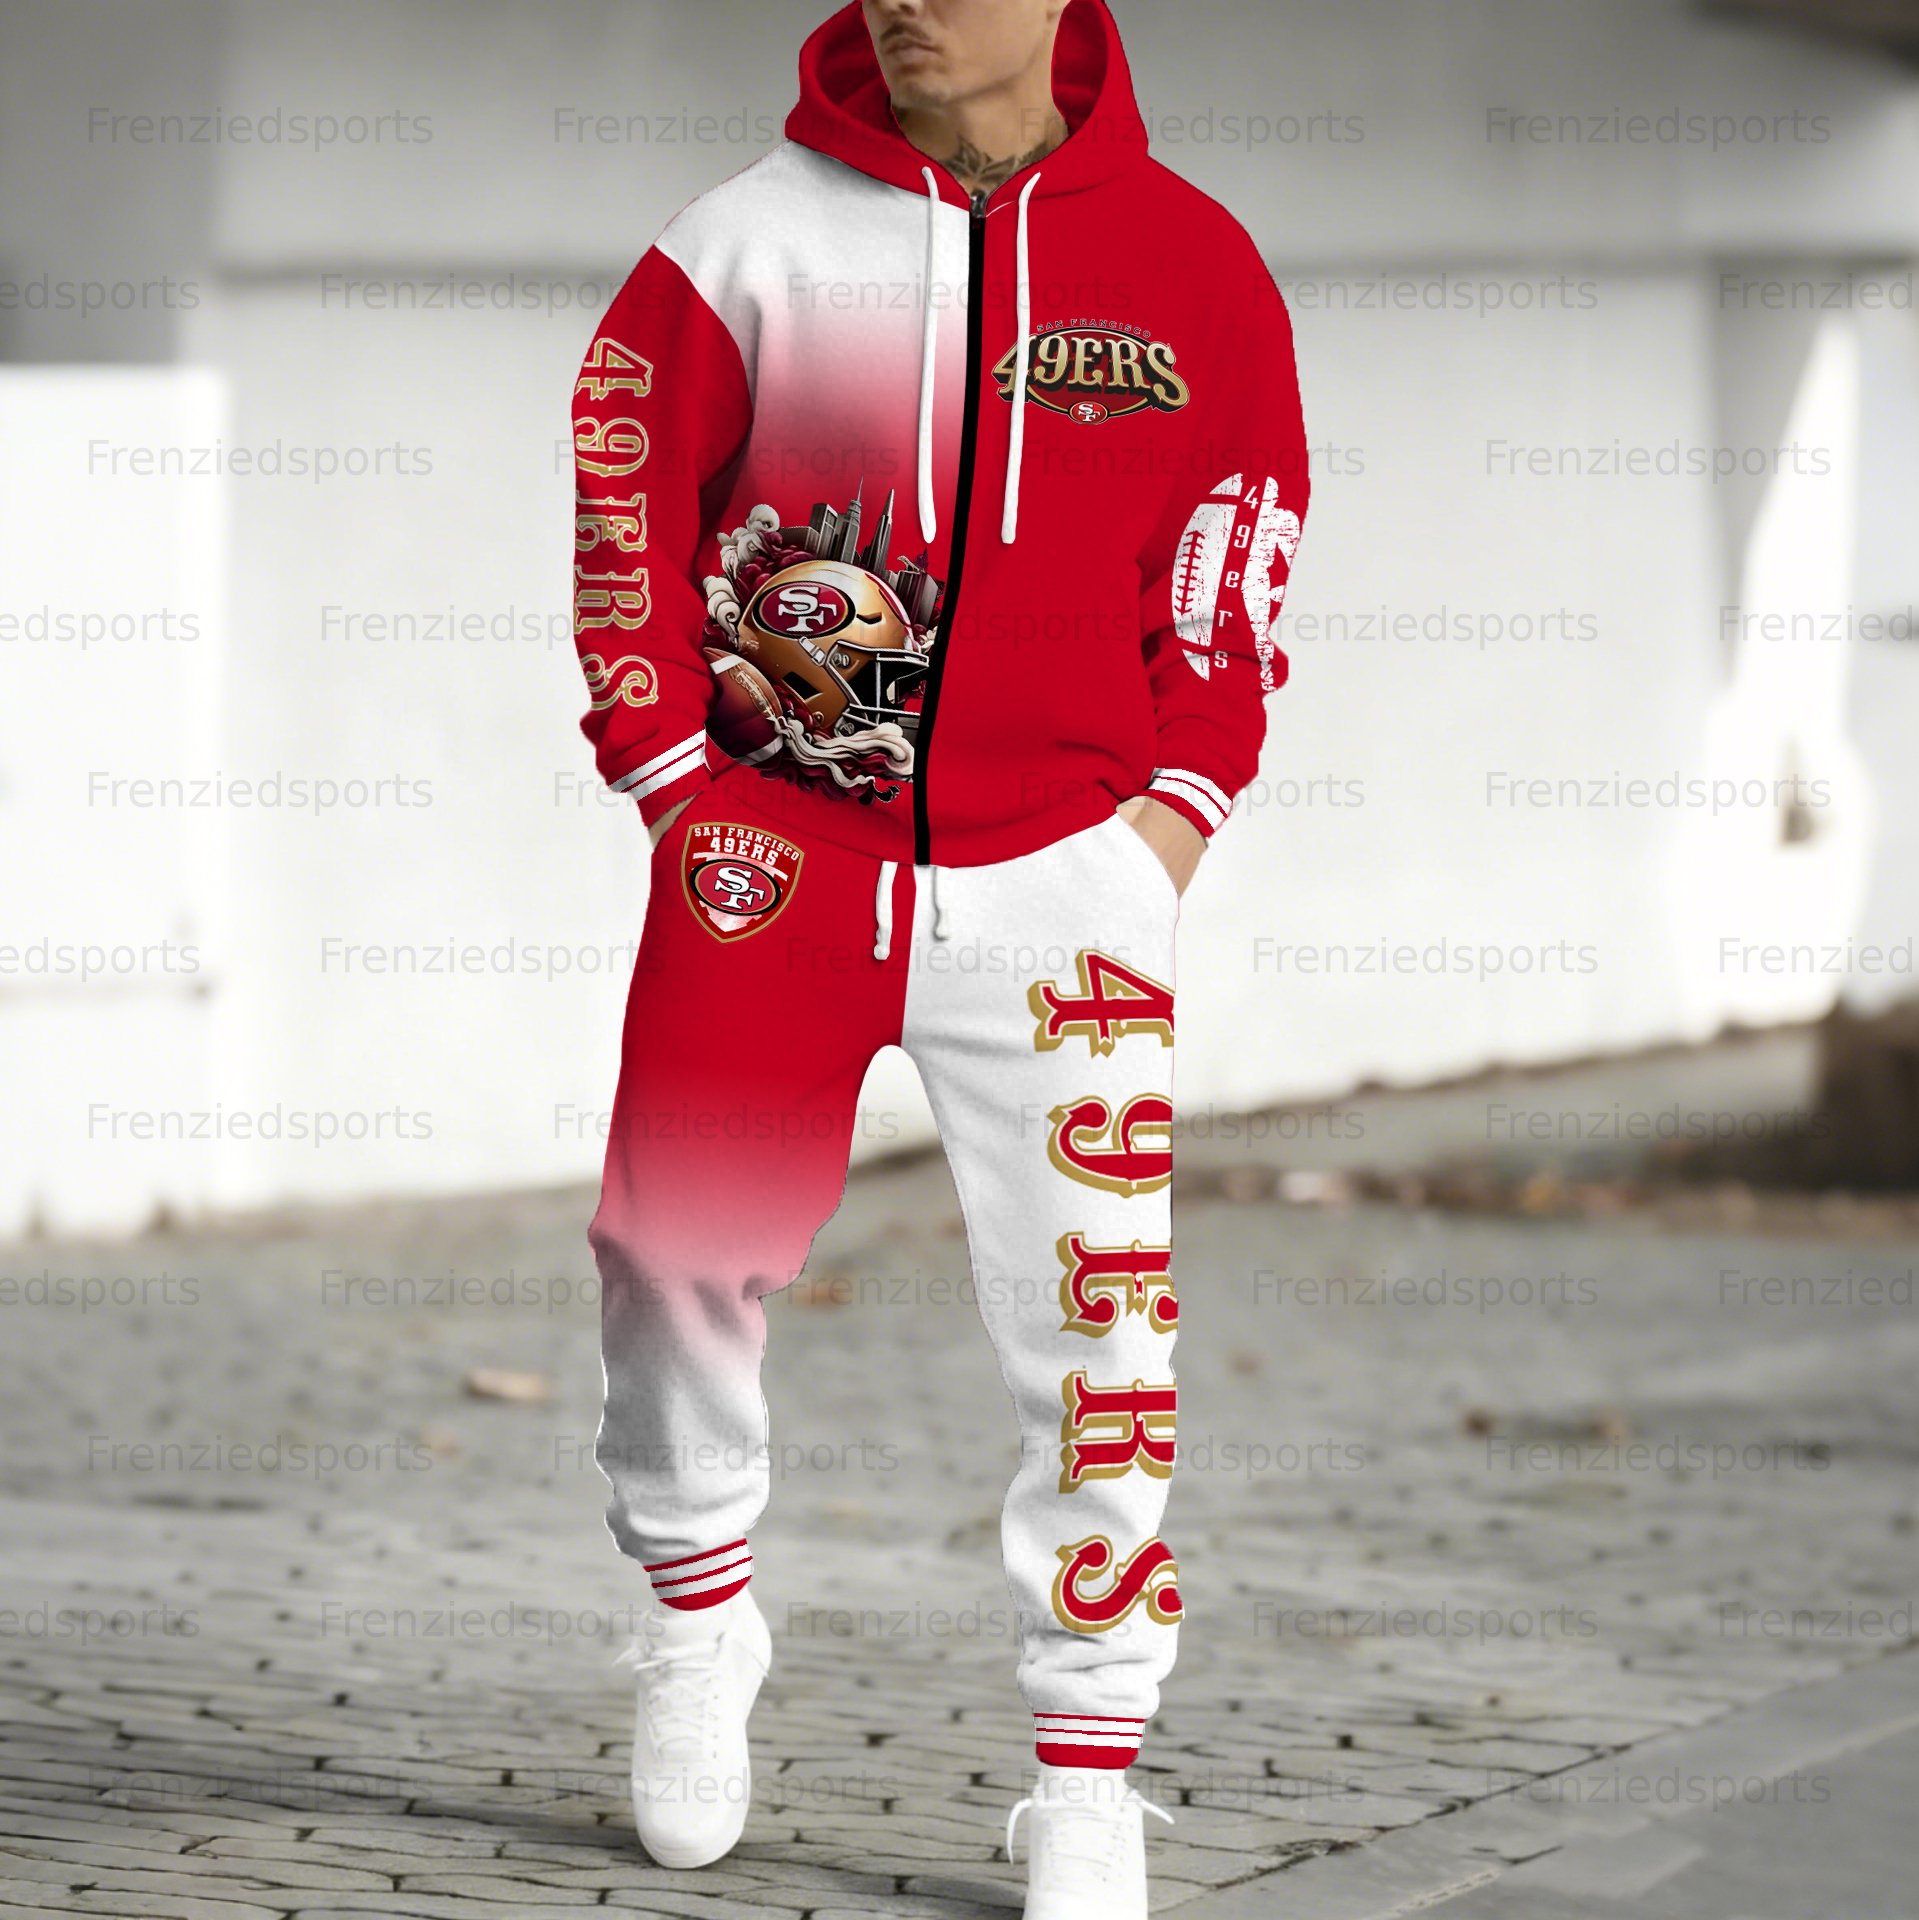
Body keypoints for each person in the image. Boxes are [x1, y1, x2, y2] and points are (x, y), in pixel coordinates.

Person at [570, 0, 1307, 1910]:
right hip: (771, 862)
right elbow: (626, 488)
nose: (900, 0)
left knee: (1100, 1330)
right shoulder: (742, 243)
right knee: (671, 1248)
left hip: (1068, 876)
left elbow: (1238, 531)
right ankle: (697, 1615)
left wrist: (1171, 815)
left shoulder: (1196, 268)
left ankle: (1088, 1769)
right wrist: (671, 776)